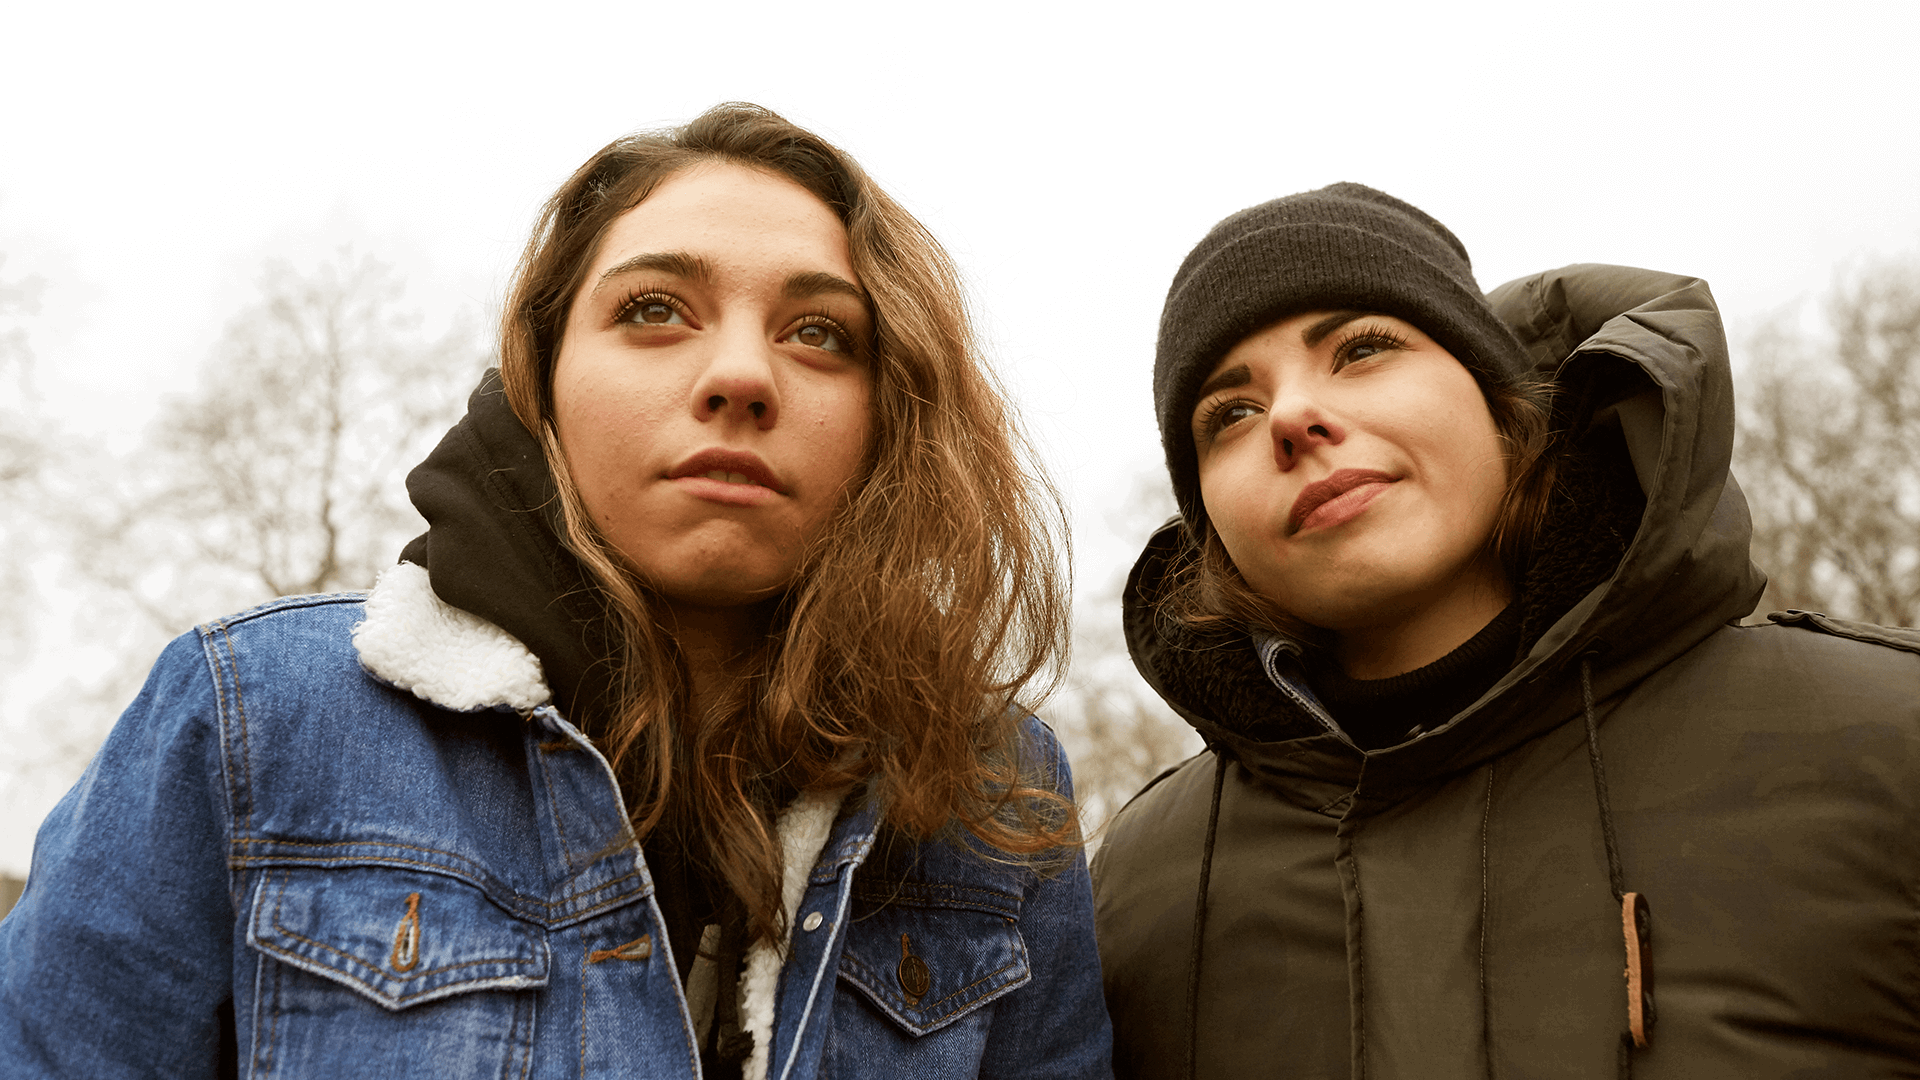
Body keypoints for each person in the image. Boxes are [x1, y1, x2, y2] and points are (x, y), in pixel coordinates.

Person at [0, 104, 1112, 1080]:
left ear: (892, 416)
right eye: (654, 311)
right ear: (542, 378)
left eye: (820, 334)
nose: (739, 376)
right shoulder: (250, 721)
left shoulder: (996, 795)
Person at [1091, 183, 1920, 1078]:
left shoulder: (1886, 742)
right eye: (1230, 414)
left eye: (1363, 349)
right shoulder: (1134, 895)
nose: (1290, 417)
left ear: (1504, 403)